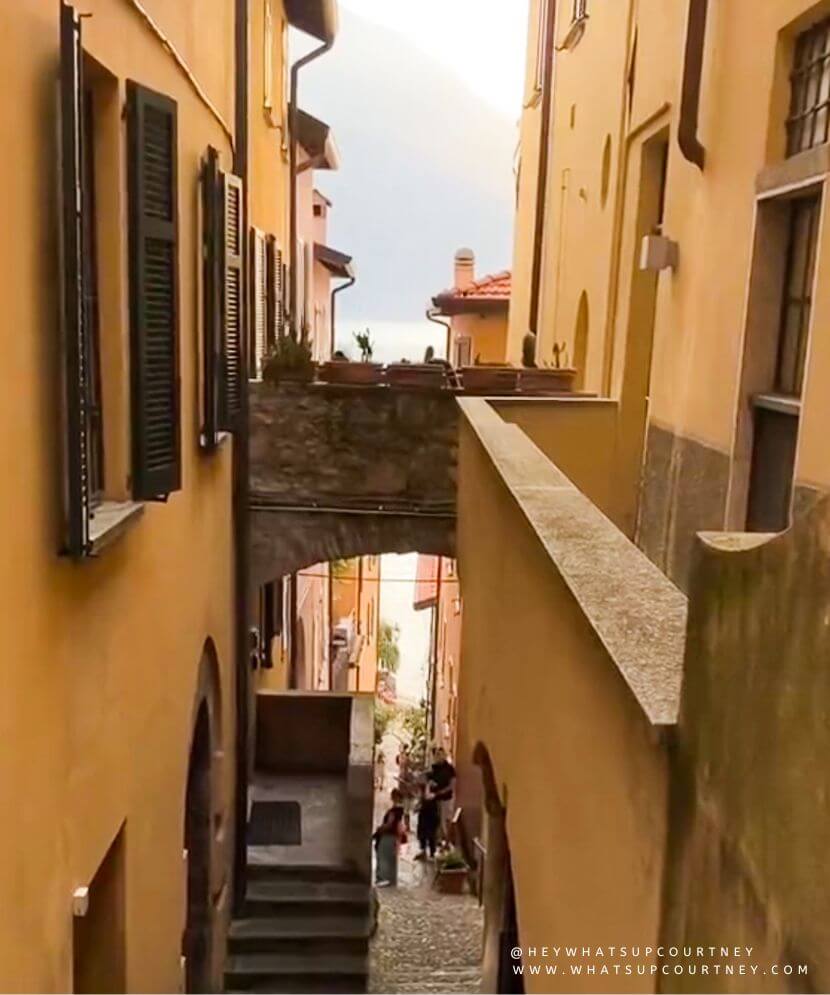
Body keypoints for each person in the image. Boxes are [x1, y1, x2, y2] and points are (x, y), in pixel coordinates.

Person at [373, 788, 407, 886]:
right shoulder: (401, 810)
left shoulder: (394, 810)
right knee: (391, 859)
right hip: (394, 837)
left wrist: (380, 829)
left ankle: (383, 878)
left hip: (388, 836)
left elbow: (389, 824)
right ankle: (391, 880)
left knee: (384, 857)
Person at [429, 747, 457, 844]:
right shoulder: (434, 768)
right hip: (435, 799)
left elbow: (452, 784)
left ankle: (447, 840)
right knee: (437, 820)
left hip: (446, 798)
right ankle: (439, 840)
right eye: (437, 755)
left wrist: (442, 791)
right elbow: (429, 780)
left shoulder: (450, 769)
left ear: (444, 755)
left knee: (446, 820)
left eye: (440, 754)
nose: (438, 756)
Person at [415, 776, 439, 861]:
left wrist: (420, 805)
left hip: (430, 814)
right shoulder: (424, 788)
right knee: (423, 832)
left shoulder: (432, 786)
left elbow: (429, 798)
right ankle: (424, 850)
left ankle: (431, 852)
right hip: (425, 814)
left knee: (431, 833)